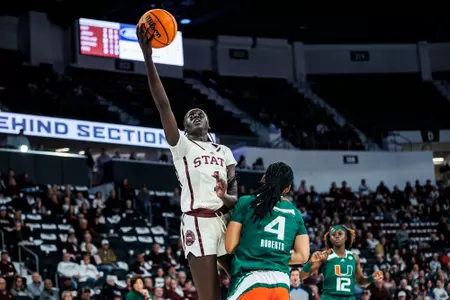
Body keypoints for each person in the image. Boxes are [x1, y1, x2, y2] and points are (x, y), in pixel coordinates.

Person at [137, 26, 238, 300]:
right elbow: (163, 104)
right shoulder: (181, 144)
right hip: (197, 222)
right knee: (210, 297)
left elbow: (235, 198)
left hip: (225, 222)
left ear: (208, 123)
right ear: (183, 126)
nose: (194, 115)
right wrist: (148, 57)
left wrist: (223, 195)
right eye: (189, 115)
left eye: (200, 113)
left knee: (247, 284)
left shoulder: (224, 150)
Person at [225, 162, 310, 300]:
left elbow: (230, 246)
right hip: (281, 284)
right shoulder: (295, 214)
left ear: (264, 178)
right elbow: (303, 256)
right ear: (287, 189)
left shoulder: (246, 202)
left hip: (249, 282)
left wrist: (259, 250)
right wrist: (275, 255)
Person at [300, 225, 384, 300]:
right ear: (330, 238)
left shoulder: (354, 257)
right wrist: (310, 262)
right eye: (333, 234)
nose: (336, 236)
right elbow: (302, 276)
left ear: (346, 237)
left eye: (340, 234)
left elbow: (360, 281)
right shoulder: (324, 256)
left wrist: (371, 278)